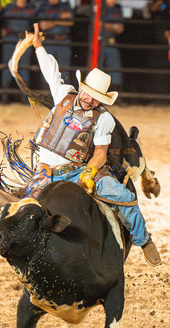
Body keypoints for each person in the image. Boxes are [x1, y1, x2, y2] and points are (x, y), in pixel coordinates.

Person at [25, 23, 162, 267]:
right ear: (82, 88)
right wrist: (38, 47)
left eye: (96, 98)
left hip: (79, 170)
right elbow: (50, 70)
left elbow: (100, 153)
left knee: (122, 195)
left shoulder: (104, 118)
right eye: (88, 94)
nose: (90, 100)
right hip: (44, 170)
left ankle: (144, 240)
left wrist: (89, 172)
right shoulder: (63, 94)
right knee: (22, 210)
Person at [0, 0, 36, 103]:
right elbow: (2, 22)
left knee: (24, 67)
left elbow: (34, 24)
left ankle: (24, 97)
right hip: (11, 38)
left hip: (24, 39)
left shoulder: (31, 9)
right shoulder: (9, 7)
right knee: (8, 66)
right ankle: (5, 96)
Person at [37, 0, 74, 79]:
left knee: (64, 71)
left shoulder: (66, 6)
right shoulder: (43, 7)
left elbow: (70, 22)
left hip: (63, 42)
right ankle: (46, 89)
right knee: (48, 70)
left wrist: (51, 21)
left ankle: (65, 88)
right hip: (48, 42)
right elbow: (43, 26)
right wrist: (59, 19)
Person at [100, 0, 125, 89]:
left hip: (111, 43)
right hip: (100, 43)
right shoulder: (99, 7)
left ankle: (115, 94)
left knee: (115, 73)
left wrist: (107, 25)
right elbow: (98, 25)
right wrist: (113, 26)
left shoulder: (117, 9)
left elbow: (120, 29)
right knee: (98, 72)